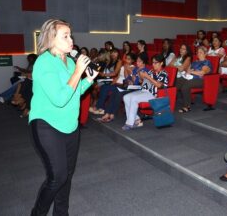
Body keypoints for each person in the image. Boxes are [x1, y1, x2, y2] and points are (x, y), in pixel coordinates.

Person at [29, 19, 98, 215]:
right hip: (47, 125)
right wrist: (78, 71)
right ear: (51, 39)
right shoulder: (44, 62)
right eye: (65, 36)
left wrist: (89, 79)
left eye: (71, 35)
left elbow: (74, 92)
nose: (71, 40)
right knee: (57, 176)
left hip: (70, 126)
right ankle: (38, 213)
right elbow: (60, 98)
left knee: (67, 175)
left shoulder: (68, 61)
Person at [97, 53, 149, 122]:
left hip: (138, 88)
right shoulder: (136, 69)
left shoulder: (145, 70)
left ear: (144, 62)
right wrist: (126, 70)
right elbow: (127, 78)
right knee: (115, 90)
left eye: (139, 61)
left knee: (119, 92)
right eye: (137, 61)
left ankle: (112, 114)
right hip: (131, 86)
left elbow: (138, 82)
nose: (137, 63)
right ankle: (108, 113)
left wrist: (131, 73)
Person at [122, 54, 168, 130]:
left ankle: (130, 123)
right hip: (144, 91)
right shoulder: (151, 71)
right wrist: (140, 77)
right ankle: (136, 119)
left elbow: (159, 85)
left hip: (154, 94)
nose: (153, 65)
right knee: (126, 97)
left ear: (161, 63)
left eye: (155, 63)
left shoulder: (163, 73)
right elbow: (142, 82)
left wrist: (147, 77)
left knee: (134, 99)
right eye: (152, 63)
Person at [176, 46, 212, 113]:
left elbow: (202, 73)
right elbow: (188, 70)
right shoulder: (195, 62)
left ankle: (187, 106)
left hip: (201, 80)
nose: (198, 54)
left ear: (205, 53)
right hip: (190, 77)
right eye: (197, 52)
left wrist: (191, 72)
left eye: (201, 52)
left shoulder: (206, 62)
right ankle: (168, 101)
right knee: (177, 82)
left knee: (185, 86)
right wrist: (187, 71)